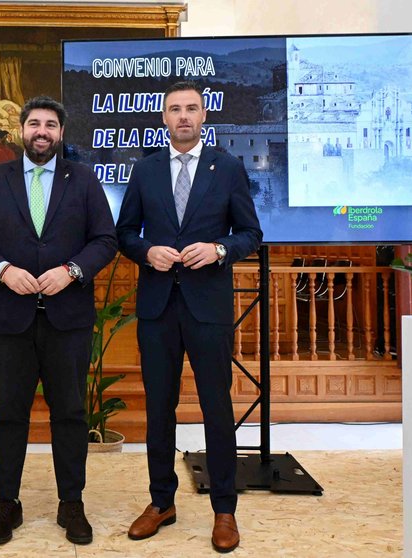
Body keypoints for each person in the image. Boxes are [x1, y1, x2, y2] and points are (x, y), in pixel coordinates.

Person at [0, 96, 117, 547]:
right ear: (21, 132)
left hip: (67, 320)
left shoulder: (83, 180)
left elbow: (104, 240)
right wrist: (4, 270)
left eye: (50, 124)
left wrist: (71, 271)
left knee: (69, 413)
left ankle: (72, 504)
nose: (41, 131)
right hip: (9, 320)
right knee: (9, 415)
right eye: (34, 124)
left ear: (61, 133)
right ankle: (7, 503)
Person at [116, 81, 262, 554]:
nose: (183, 116)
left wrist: (219, 249)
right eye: (174, 109)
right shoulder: (146, 170)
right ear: (163, 118)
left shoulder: (229, 167)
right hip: (158, 306)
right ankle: (161, 502)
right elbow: (124, 234)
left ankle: (224, 509)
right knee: (159, 409)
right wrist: (146, 251)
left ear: (203, 116)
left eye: (191, 109)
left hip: (208, 306)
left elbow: (250, 234)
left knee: (216, 409)